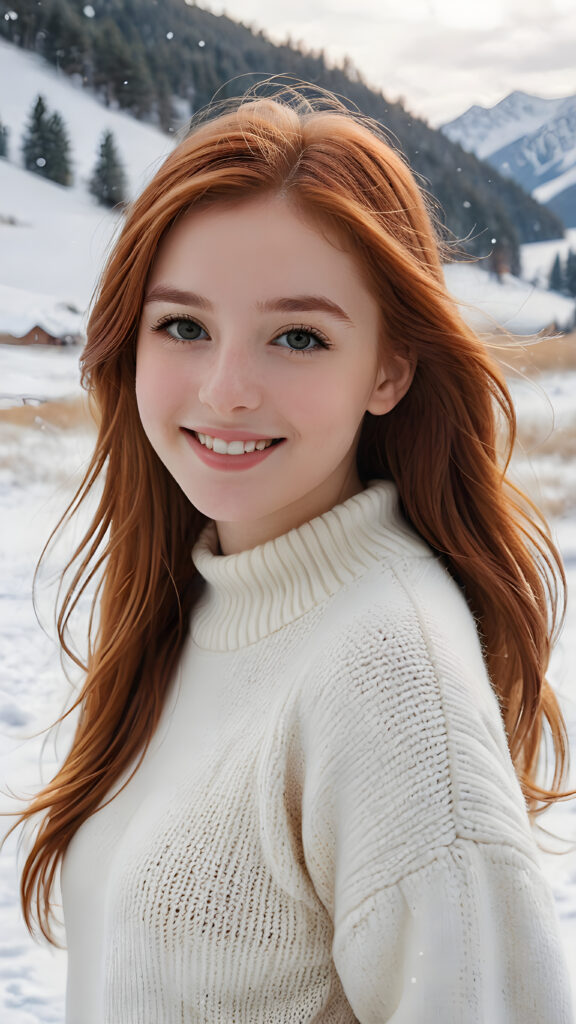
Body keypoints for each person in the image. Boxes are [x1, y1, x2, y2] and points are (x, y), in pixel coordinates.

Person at [10, 80, 576, 1022]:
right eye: (183, 326)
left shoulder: (392, 682)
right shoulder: (203, 598)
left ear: (390, 368)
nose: (227, 389)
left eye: (299, 337)